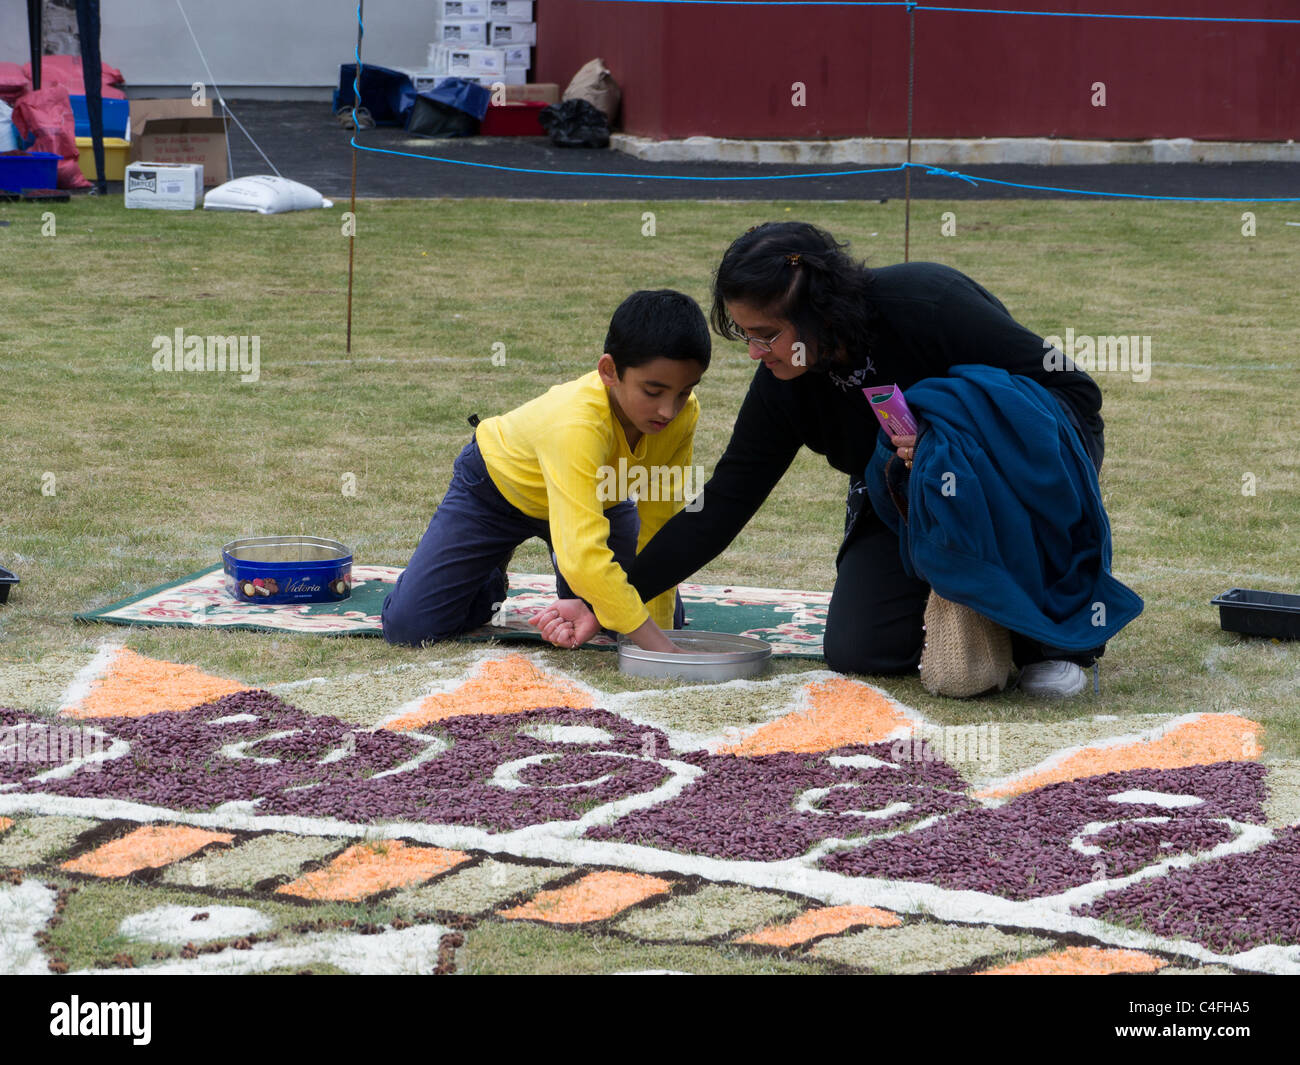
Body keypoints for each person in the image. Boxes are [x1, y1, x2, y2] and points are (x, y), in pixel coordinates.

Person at [534, 222, 1110, 696]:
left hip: (1015, 478)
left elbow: (1072, 393)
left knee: (958, 431)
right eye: (745, 335)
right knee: (862, 652)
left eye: (767, 334)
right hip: (902, 501)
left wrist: (965, 436)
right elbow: (725, 500)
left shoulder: (927, 303)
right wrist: (605, 601)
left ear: (819, 312)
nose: (757, 352)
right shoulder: (783, 382)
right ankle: (974, 599)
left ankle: (1054, 638)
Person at [382, 289, 709, 653]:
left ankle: (580, 590)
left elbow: (661, 523)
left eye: (684, 392)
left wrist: (651, 629)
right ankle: (486, 576)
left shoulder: (684, 415)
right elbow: (583, 557)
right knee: (410, 628)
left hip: (596, 503)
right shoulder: (575, 422)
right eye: (653, 391)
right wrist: (663, 651)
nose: (668, 410)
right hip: (495, 493)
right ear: (609, 371)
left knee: (657, 619)